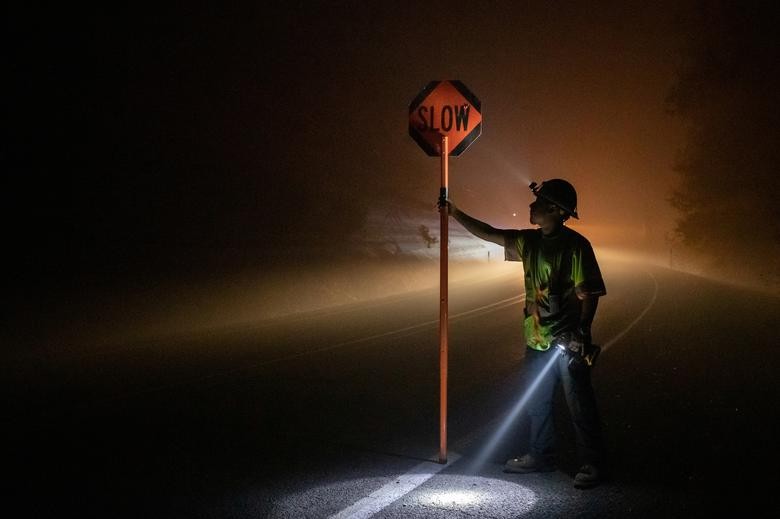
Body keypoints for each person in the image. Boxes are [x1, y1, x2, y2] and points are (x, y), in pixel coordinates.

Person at [442, 179, 607, 489]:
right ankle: (541, 456)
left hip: (565, 343)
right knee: (537, 402)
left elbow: (589, 295)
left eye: (540, 202)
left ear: (557, 211)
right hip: (535, 338)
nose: (532, 206)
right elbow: (491, 233)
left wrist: (581, 333)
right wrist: (455, 213)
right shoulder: (529, 242)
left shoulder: (576, 246)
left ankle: (593, 464)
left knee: (579, 405)